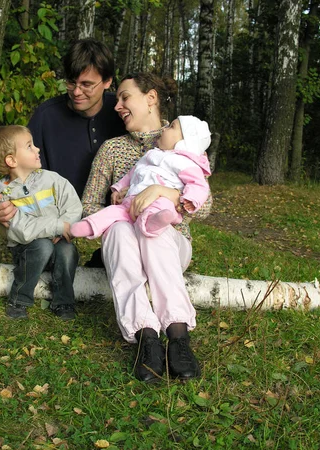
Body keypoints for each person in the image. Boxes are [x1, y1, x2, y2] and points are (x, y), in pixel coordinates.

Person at [80, 73, 213, 382]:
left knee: (153, 233)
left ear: (150, 98)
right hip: (125, 244)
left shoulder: (184, 142)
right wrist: (119, 206)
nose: (117, 105)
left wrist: (162, 193)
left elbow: (204, 205)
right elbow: (89, 206)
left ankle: (179, 338)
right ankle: (147, 340)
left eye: (125, 97)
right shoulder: (112, 150)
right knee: (120, 230)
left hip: (169, 242)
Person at [0, 38, 126, 225]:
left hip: (115, 220)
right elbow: (15, 168)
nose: (76, 92)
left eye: (86, 84)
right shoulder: (46, 116)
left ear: (107, 81)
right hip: (58, 221)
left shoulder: (122, 112)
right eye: (71, 82)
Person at [0, 125, 83, 320]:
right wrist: (56, 227)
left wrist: (64, 226)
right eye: (29, 146)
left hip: (58, 240)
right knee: (42, 246)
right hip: (27, 249)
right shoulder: (4, 195)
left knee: (68, 250)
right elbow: (21, 229)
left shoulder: (52, 179)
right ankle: (19, 299)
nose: (37, 149)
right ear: (11, 160)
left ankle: (63, 302)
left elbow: (73, 206)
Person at [70, 115, 211, 239]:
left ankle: (152, 223)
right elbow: (133, 172)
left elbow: (199, 187)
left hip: (161, 208)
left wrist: (185, 199)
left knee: (163, 207)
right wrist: (118, 189)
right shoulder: (150, 154)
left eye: (125, 97)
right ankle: (90, 225)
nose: (165, 129)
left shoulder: (186, 163)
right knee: (113, 212)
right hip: (130, 205)